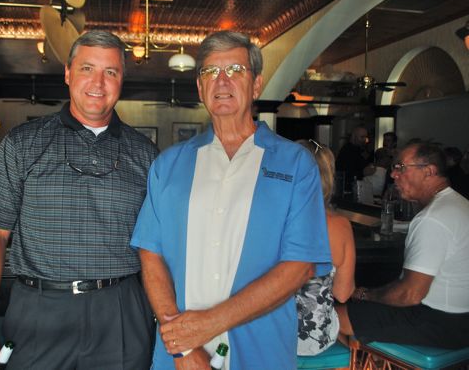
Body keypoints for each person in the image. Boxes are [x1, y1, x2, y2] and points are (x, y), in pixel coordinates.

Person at [131, 31, 332, 370]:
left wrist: (209, 323)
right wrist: (181, 346)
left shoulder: (295, 165)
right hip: (180, 360)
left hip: (262, 352)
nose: (221, 81)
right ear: (199, 88)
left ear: (256, 85)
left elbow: (300, 265)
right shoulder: (169, 164)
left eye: (235, 69)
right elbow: (150, 254)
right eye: (210, 72)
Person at [0, 31, 158, 370]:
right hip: (38, 312)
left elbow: (156, 249)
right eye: (87, 68)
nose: (98, 82)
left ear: (121, 80)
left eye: (110, 72)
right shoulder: (22, 144)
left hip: (121, 313)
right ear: (68, 74)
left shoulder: (146, 155)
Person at [336, 142, 469, 349]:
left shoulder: (433, 218)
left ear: (429, 171)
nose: (393, 175)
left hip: (441, 322)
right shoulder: (459, 203)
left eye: (400, 168)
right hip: (460, 318)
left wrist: (366, 295)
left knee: (331, 316)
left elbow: (410, 294)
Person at [295, 140, 356, 356]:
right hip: (313, 341)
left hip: (267, 336)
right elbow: (342, 293)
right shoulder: (340, 226)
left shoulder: (269, 219)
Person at [335, 126, 371, 191]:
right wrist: (363, 172)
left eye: (365, 137)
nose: (364, 140)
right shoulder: (348, 151)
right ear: (354, 137)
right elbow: (347, 173)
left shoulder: (358, 150)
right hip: (348, 189)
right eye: (362, 137)